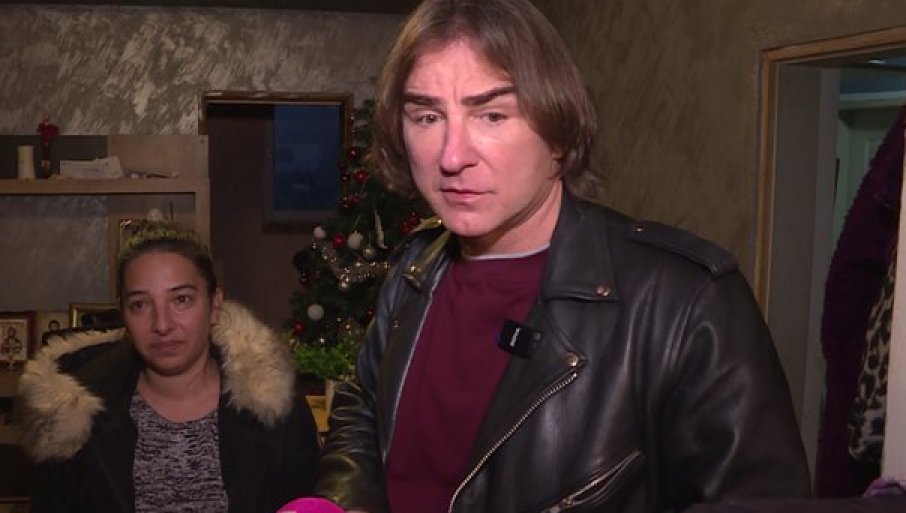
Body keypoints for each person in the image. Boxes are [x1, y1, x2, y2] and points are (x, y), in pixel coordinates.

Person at [313, 0, 812, 512]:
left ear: (558, 131)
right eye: (427, 116)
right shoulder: (415, 270)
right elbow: (363, 407)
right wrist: (336, 502)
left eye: (491, 115)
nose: (452, 156)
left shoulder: (686, 301)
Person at [16, 221, 320, 513]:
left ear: (215, 305)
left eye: (181, 300)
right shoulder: (73, 420)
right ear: (124, 314)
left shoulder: (275, 405)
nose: (162, 324)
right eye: (140, 304)